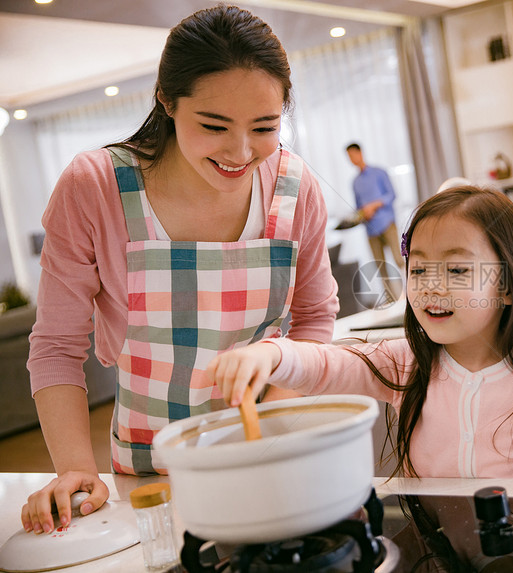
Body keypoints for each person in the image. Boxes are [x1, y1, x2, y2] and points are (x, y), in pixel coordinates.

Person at [21, 4, 339, 534]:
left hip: (270, 458)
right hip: (151, 475)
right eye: (214, 126)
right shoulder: (95, 187)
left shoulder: (295, 187)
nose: (241, 152)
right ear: (166, 100)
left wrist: (274, 424)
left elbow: (314, 319)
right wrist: (76, 470)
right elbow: (55, 348)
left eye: (264, 127)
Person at [208, 185, 513, 480]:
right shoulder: (403, 364)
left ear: (508, 286)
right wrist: (273, 355)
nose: (430, 286)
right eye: (418, 269)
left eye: (458, 270)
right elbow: (328, 364)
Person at [345, 142, 405, 303]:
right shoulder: (355, 182)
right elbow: (358, 206)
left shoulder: (379, 173)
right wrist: (361, 213)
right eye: (349, 157)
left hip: (386, 222)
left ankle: (409, 293)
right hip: (370, 229)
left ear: (360, 153)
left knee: (399, 260)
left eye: (353, 154)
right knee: (380, 266)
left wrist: (374, 205)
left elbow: (391, 195)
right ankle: (391, 300)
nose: (352, 159)